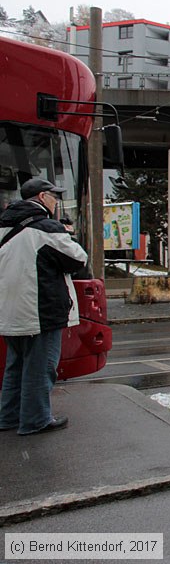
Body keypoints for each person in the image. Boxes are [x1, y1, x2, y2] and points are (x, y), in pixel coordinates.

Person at [0, 178, 88, 435]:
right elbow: (77, 259)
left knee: (15, 367)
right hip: (39, 310)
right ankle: (36, 420)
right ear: (41, 197)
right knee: (41, 367)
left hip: (9, 312)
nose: (56, 201)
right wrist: (66, 233)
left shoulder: (5, 225)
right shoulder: (45, 228)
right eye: (54, 196)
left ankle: (8, 417)